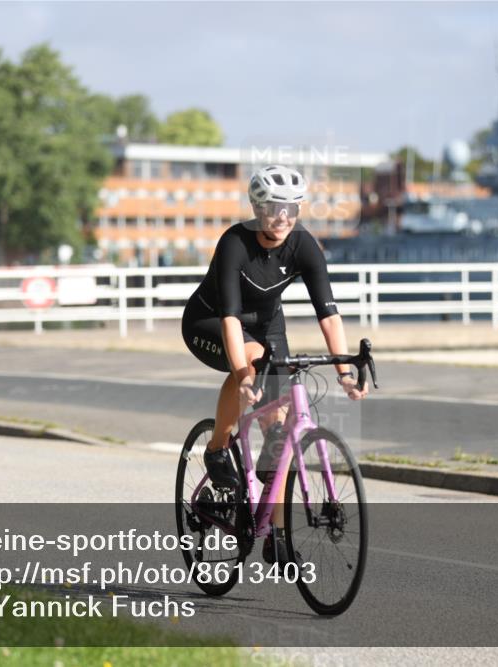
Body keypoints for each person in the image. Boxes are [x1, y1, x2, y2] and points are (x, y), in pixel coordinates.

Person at [181, 164, 368, 563]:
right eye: (273, 207)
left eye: (291, 208)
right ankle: (217, 449)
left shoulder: (303, 245)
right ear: (257, 207)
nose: (282, 217)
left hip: (268, 326)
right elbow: (231, 320)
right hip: (211, 321)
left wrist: (345, 373)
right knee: (251, 363)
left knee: (279, 434)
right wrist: (244, 375)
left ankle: (276, 537)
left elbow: (329, 315)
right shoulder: (235, 243)